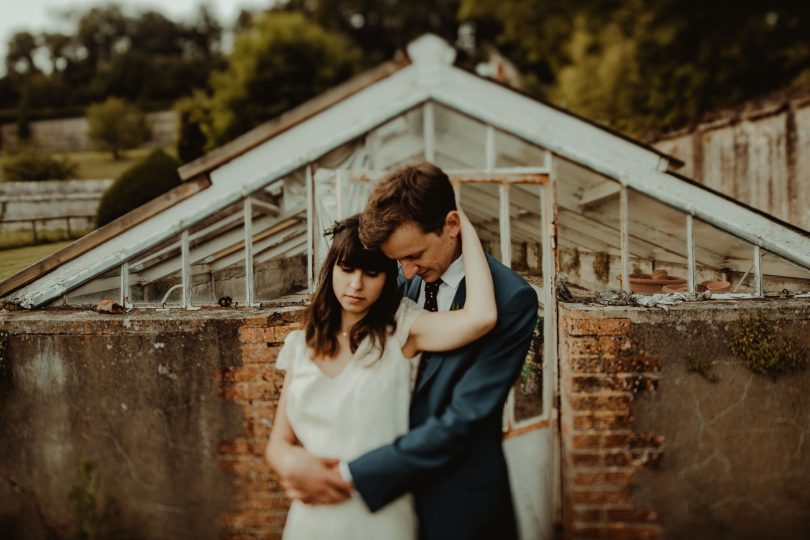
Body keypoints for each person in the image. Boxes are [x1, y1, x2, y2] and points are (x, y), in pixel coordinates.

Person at [270, 163, 539, 540]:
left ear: (451, 225)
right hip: (372, 508)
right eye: (398, 261)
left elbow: (463, 419)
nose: (407, 273)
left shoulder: (511, 299)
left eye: (414, 255)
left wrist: (346, 475)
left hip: (457, 509)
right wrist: (290, 460)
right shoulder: (393, 281)